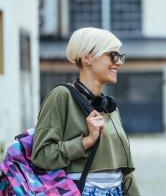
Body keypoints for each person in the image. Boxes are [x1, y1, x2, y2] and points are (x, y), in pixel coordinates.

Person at [32, 27, 140, 195]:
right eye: (112, 55)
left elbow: (124, 173)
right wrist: (86, 141)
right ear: (88, 58)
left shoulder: (109, 107)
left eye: (120, 56)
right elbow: (41, 155)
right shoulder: (61, 97)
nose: (118, 62)